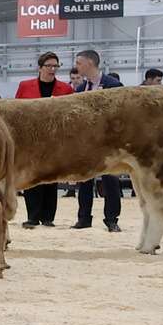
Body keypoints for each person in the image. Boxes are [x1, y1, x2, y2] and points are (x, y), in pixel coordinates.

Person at [14, 51, 73, 228]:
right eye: (48, 66)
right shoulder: (25, 86)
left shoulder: (66, 89)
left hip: (55, 140)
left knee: (50, 178)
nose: (52, 69)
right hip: (30, 140)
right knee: (30, 178)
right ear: (40, 68)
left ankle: (48, 217)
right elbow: (17, 111)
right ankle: (32, 216)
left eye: (55, 66)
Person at [68, 49, 123, 232]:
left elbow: (119, 113)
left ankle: (111, 219)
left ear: (90, 63)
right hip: (87, 142)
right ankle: (84, 217)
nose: (77, 67)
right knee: (84, 179)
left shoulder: (113, 84)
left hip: (108, 141)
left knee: (111, 180)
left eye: (79, 63)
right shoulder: (79, 88)